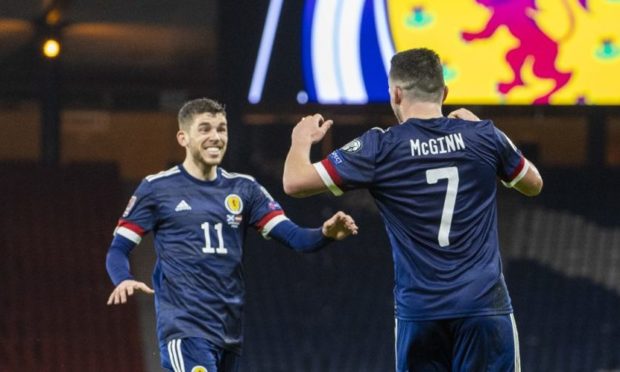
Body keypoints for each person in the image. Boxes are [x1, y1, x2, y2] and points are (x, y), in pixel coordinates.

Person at [282, 48, 543, 371]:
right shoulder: (484, 136)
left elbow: (294, 182)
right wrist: (490, 131)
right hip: (483, 307)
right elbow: (533, 183)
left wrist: (300, 140)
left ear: (396, 93)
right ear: (444, 92)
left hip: (420, 313)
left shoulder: (380, 147)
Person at [105, 98, 358, 372]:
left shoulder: (245, 189)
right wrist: (123, 278)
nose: (215, 137)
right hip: (185, 329)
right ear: (183, 137)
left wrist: (326, 232)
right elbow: (118, 249)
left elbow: (295, 238)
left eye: (221, 129)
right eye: (205, 129)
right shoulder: (156, 189)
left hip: (229, 331)